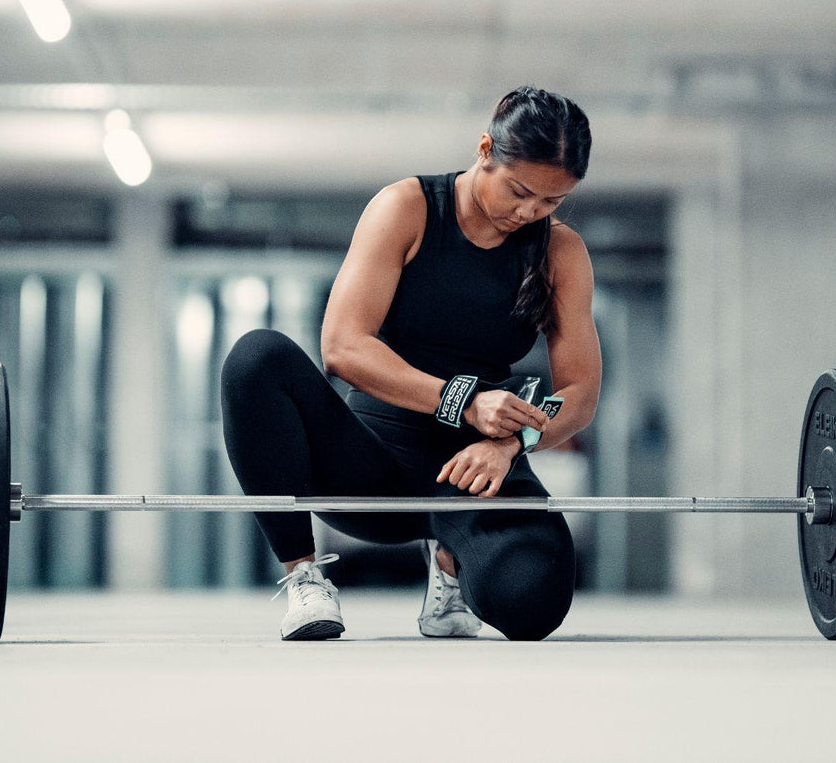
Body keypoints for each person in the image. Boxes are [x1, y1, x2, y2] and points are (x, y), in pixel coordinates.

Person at [220, 86, 601, 641]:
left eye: (550, 202)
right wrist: (464, 402)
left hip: (475, 470)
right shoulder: (407, 207)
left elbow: (581, 389)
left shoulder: (561, 251)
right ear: (485, 150)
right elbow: (343, 346)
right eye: (520, 191)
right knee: (256, 359)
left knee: (533, 604)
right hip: (371, 466)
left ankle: (451, 564)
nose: (529, 213)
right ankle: (305, 577)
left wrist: (510, 445)